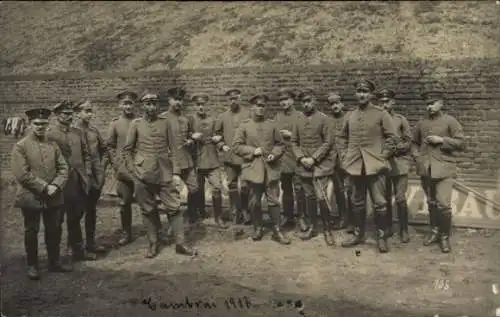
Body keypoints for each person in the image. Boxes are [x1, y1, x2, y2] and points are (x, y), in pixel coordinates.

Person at [123, 90, 195, 258]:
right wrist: (134, 171)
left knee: (174, 207)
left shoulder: (165, 123)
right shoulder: (136, 124)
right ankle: (153, 243)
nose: (152, 107)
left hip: (165, 173)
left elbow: (174, 149)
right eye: (148, 104)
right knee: (148, 209)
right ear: (142, 106)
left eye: (154, 103)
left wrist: (176, 172)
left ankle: (180, 243)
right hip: (143, 174)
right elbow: (127, 151)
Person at [11, 108, 73, 280]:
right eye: (37, 124)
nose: (40, 127)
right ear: (30, 124)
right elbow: (22, 174)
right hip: (31, 196)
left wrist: (56, 185)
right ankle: (32, 265)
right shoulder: (21, 146)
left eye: (44, 124)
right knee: (31, 230)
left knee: (53, 229)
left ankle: (54, 262)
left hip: (54, 195)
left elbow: (63, 168)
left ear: (48, 125)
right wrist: (44, 187)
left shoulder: (53, 145)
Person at [338, 79, 398, 253]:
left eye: (365, 91)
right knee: (357, 202)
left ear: (371, 94)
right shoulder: (350, 115)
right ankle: (358, 234)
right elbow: (342, 138)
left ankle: (381, 237)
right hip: (355, 165)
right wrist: (344, 155)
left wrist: (383, 156)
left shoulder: (381, 114)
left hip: (375, 165)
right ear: (356, 94)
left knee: (380, 203)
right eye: (359, 91)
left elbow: (392, 138)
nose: (362, 95)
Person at [233, 94, 290, 244]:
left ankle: (277, 230)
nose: (260, 108)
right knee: (255, 202)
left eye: (263, 106)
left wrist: (274, 155)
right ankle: (257, 228)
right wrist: (252, 151)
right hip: (252, 169)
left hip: (270, 169)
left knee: (273, 200)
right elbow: (236, 146)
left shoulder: (272, 125)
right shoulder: (244, 126)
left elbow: (281, 144)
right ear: (252, 107)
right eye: (257, 105)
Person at [412, 90, 465, 253]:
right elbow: (414, 143)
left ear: (441, 103)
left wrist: (442, 140)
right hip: (426, 170)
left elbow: (461, 143)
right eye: (427, 104)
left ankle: (444, 237)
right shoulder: (421, 124)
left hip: (444, 170)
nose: (429, 106)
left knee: (444, 205)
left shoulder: (450, 121)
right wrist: (418, 158)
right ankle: (434, 231)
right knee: (431, 203)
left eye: (432, 103)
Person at [46, 100, 96, 261]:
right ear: (57, 115)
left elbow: (86, 154)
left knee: (75, 217)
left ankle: (77, 251)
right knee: (57, 219)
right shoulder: (50, 134)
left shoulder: (77, 132)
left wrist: (87, 172)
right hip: (60, 183)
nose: (69, 117)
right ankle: (57, 255)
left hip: (77, 181)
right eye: (65, 114)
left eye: (70, 114)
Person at [291, 88, 336, 245]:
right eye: (303, 102)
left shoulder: (324, 119)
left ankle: (327, 229)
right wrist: (301, 157)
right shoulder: (298, 120)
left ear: (315, 101)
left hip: (320, 166)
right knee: (309, 198)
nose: (306, 104)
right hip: (304, 166)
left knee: (322, 197)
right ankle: (312, 227)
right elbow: (294, 142)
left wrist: (314, 158)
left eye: (309, 101)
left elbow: (328, 142)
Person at [213, 88, 252, 237]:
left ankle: (246, 210)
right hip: (229, 158)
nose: (233, 101)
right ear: (227, 100)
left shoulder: (248, 113)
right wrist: (221, 145)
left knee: (247, 185)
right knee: (232, 185)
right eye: (230, 99)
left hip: (245, 157)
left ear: (240, 98)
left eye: (236, 98)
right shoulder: (222, 117)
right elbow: (216, 135)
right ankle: (235, 211)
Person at [159, 87, 199, 226]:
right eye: (175, 99)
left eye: (180, 100)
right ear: (169, 100)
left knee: (194, 188)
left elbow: (192, 136)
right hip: (170, 162)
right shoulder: (163, 118)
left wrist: (191, 140)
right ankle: (173, 221)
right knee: (172, 192)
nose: (178, 102)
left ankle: (191, 215)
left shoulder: (186, 119)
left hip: (186, 159)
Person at [376, 88, 411, 243]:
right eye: (381, 102)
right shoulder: (376, 119)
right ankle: (388, 227)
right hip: (382, 164)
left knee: (400, 198)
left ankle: (404, 229)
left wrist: (396, 148)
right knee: (384, 198)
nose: (384, 105)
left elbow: (408, 142)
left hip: (399, 163)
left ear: (392, 102)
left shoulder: (400, 119)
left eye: (386, 102)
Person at [189, 93, 229, 229]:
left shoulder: (213, 120)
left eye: (203, 104)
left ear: (207, 105)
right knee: (196, 189)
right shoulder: (190, 120)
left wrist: (220, 142)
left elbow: (217, 137)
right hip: (197, 160)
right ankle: (197, 215)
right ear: (195, 106)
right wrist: (192, 137)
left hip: (212, 160)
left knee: (217, 188)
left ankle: (218, 217)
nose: (201, 107)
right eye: (198, 105)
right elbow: (184, 137)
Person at [73, 100, 108, 253]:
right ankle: (75, 245)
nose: (90, 114)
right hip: (79, 178)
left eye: (91, 111)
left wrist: (101, 167)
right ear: (77, 113)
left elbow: (104, 150)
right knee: (77, 212)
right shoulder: (73, 132)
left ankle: (91, 243)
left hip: (95, 177)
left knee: (91, 210)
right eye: (86, 111)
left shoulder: (94, 131)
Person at [106, 90, 139, 246]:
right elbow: (110, 146)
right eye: (125, 103)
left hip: (140, 167)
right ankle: (126, 232)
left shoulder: (140, 121)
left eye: (130, 103)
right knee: (125, 202)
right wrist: (116, 164)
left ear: (134, 105)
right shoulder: (115, 124)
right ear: (120, 105)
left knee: (147, 200)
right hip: (124, 170)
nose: (128, 106)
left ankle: (155, 231)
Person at [274, 88, 307, 232]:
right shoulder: (277, 117)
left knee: (300, 189)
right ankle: (288, 216)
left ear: (292, 101)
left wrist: (291, 134)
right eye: (281, 100)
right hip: (283, 158)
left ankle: (302, 217)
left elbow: (306, 136)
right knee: (285, 188)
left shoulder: (300, 116)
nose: (283, 102)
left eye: (286, 99)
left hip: (297, 157)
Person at [327, 92, 353, 232]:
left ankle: (353, 220)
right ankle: (343, 217)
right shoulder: (328, 120)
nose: (335, 106)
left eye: (337, 103)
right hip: (334, 161)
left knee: (350, 190)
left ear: (342, 104)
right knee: (339, 190)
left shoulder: (349, 118)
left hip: (348, 160)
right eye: (332, 104)